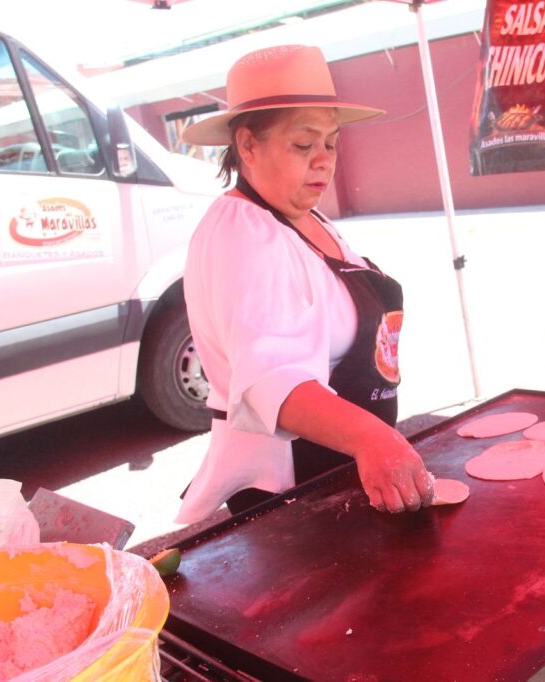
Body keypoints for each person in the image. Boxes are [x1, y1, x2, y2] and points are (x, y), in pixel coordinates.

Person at [174, 45, 435, 525]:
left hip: (337, 468)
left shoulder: (304, 217)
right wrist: (372, 438)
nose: (323, 161)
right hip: (291, 488)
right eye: (302, 144)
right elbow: (271, 379)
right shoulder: (243, 232)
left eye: (331, 144)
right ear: (248, 146)